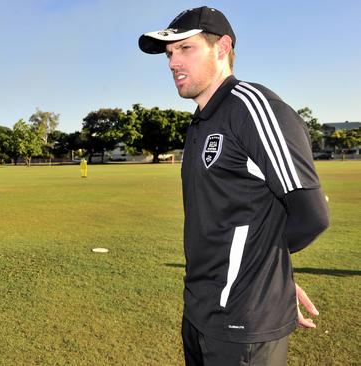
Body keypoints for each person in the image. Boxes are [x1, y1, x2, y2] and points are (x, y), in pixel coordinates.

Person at [138, 6, 329, 365]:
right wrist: (270, 272)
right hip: (199, 312)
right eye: (169, 54)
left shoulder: (254, 107)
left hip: (244, 324)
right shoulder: (200, 122)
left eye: (186, 49)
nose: (173, 63)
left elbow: (312, 215)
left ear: (222, 47)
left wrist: (264, 276)